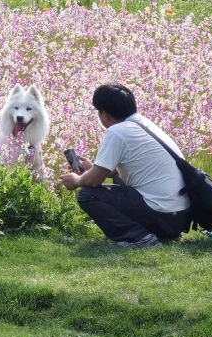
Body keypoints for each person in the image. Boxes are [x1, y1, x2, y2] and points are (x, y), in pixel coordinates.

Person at [60, 83, 191, 247]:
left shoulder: (116, 132)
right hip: (179, 218)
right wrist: (93, 168)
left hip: (162, 216)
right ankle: (162, 234)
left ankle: (140, 238)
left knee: (87, 194)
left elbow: (94, 181)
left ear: (104, 114)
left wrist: (76, 180)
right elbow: (112, 172)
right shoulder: (143, 123)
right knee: (117, 177)